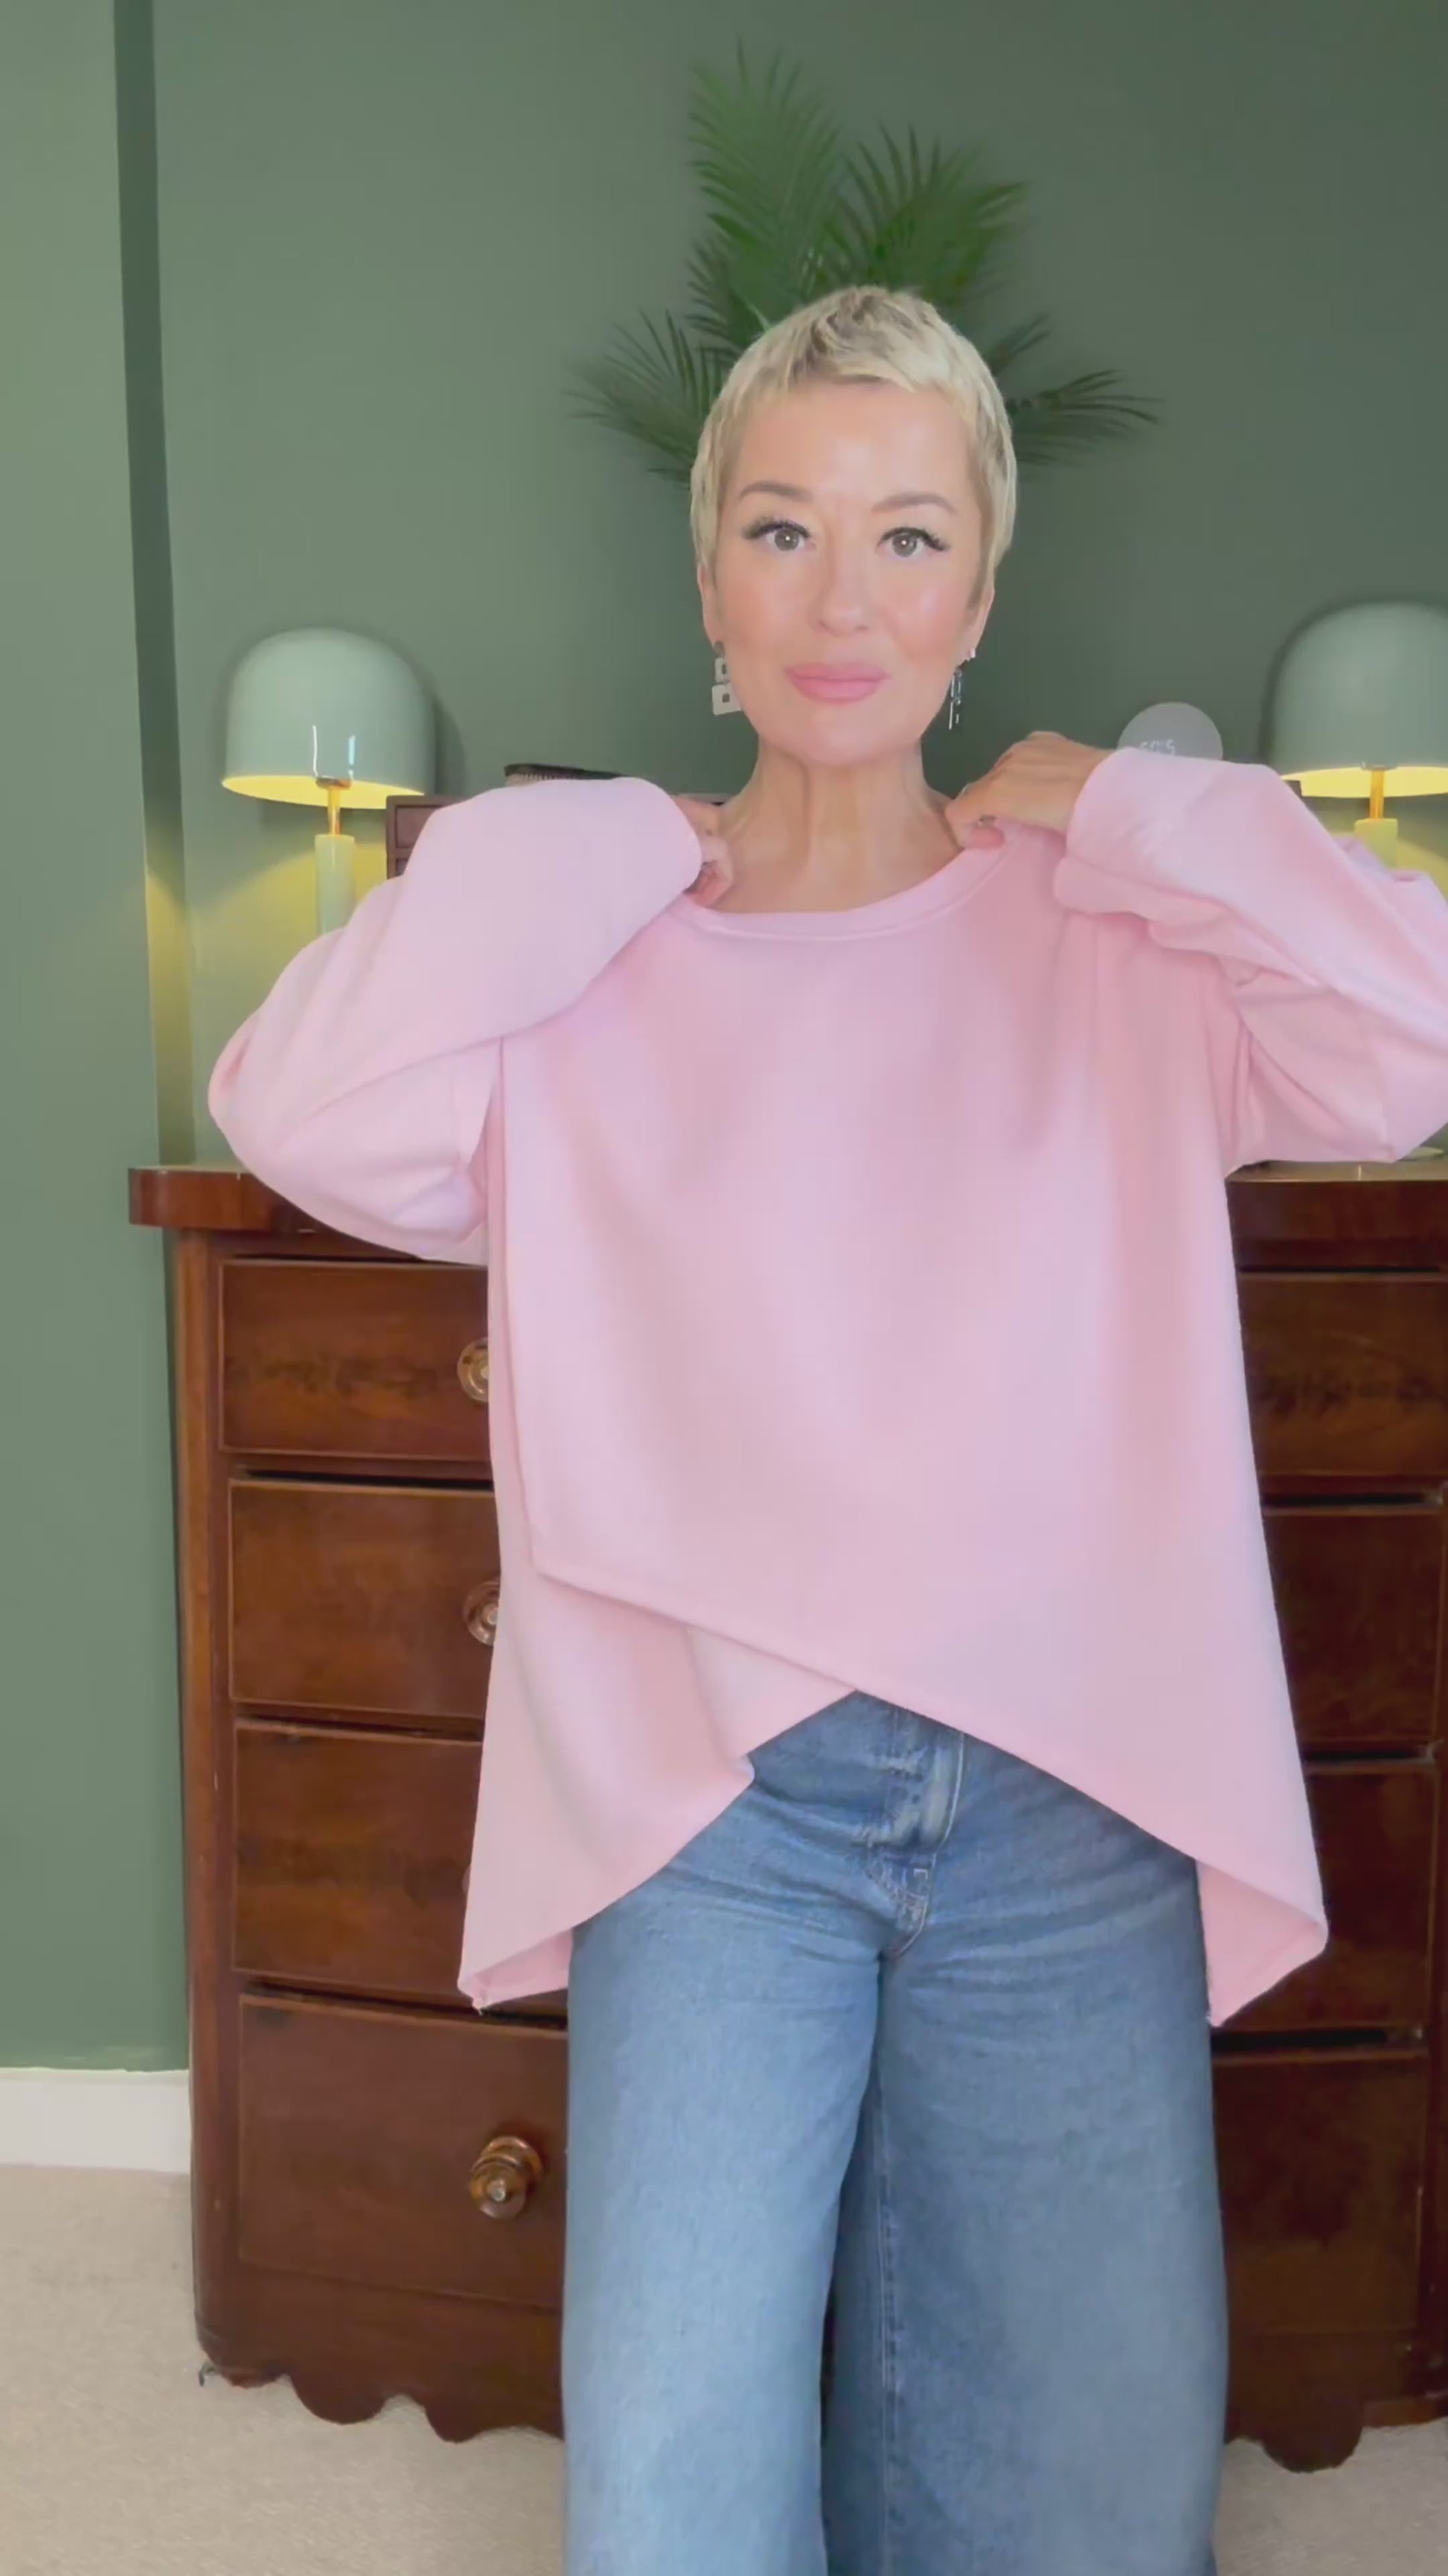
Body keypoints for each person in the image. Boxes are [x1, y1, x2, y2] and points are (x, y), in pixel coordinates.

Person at [208, 286, 1448, 2576]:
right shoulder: (587, 960)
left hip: (1071, 1797)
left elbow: (1418, 1032)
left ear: (979, 592)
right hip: (716, 1812)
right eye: (781, 530)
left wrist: (1135, 806)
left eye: (906, 537)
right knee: (674, 2493)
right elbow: (290, 1102)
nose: (841, 598)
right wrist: (601, 844)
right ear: (709, 583)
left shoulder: (1115, 938)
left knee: (1081, 2517)